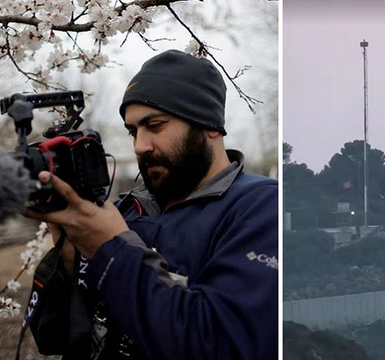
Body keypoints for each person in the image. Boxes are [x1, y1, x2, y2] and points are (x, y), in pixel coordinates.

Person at [23, 49, 278, 359]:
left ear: (210, 125)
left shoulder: (260, 208)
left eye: (155, 126)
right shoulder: (123, 211)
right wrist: (68, 262)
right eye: (133, 131)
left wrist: (112, 250)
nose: (140, 145)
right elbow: (51, 338)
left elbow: (224, 344)